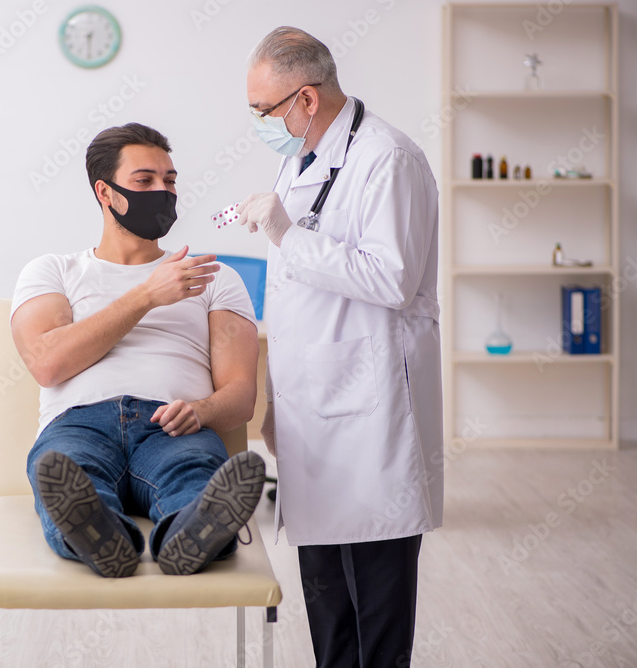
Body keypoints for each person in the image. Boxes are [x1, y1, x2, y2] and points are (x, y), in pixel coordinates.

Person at [237, 26, 443, 666]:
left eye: (263, 111)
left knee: (376, 598)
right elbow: (295, 299)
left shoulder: (388, 158)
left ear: (305, 97)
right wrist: (274, 399)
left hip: (371, 405)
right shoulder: (300, 155)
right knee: (327, 597)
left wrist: (284, 233)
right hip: (313, 405)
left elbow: (390, 278)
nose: (259, 124)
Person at [10, 122, 266, 578]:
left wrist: (202, 411)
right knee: (70, 473)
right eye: (144, 181)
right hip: (78, 422)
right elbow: (46, 363)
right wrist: (147, 295)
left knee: (195, 477)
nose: (163, 192)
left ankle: (192, 534)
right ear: (105, 193)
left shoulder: (214, 277)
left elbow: (242, 394)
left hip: (173, 425)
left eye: (169, 181)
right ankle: (103, 537)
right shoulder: (53, 270)